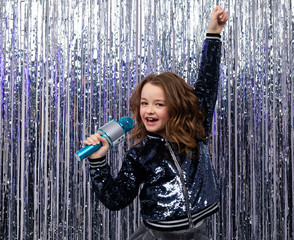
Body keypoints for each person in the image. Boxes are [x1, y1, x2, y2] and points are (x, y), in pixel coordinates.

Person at [83, 6, 228, 240]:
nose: (149, 110)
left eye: (159, 104)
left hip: (198, 232)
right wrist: (97, 161)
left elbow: (208, 79)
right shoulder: (140, 154)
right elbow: (115, 199)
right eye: (144, 103)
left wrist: (214, 33)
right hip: (159, 235)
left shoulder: (196, 129)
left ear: (178, 107)